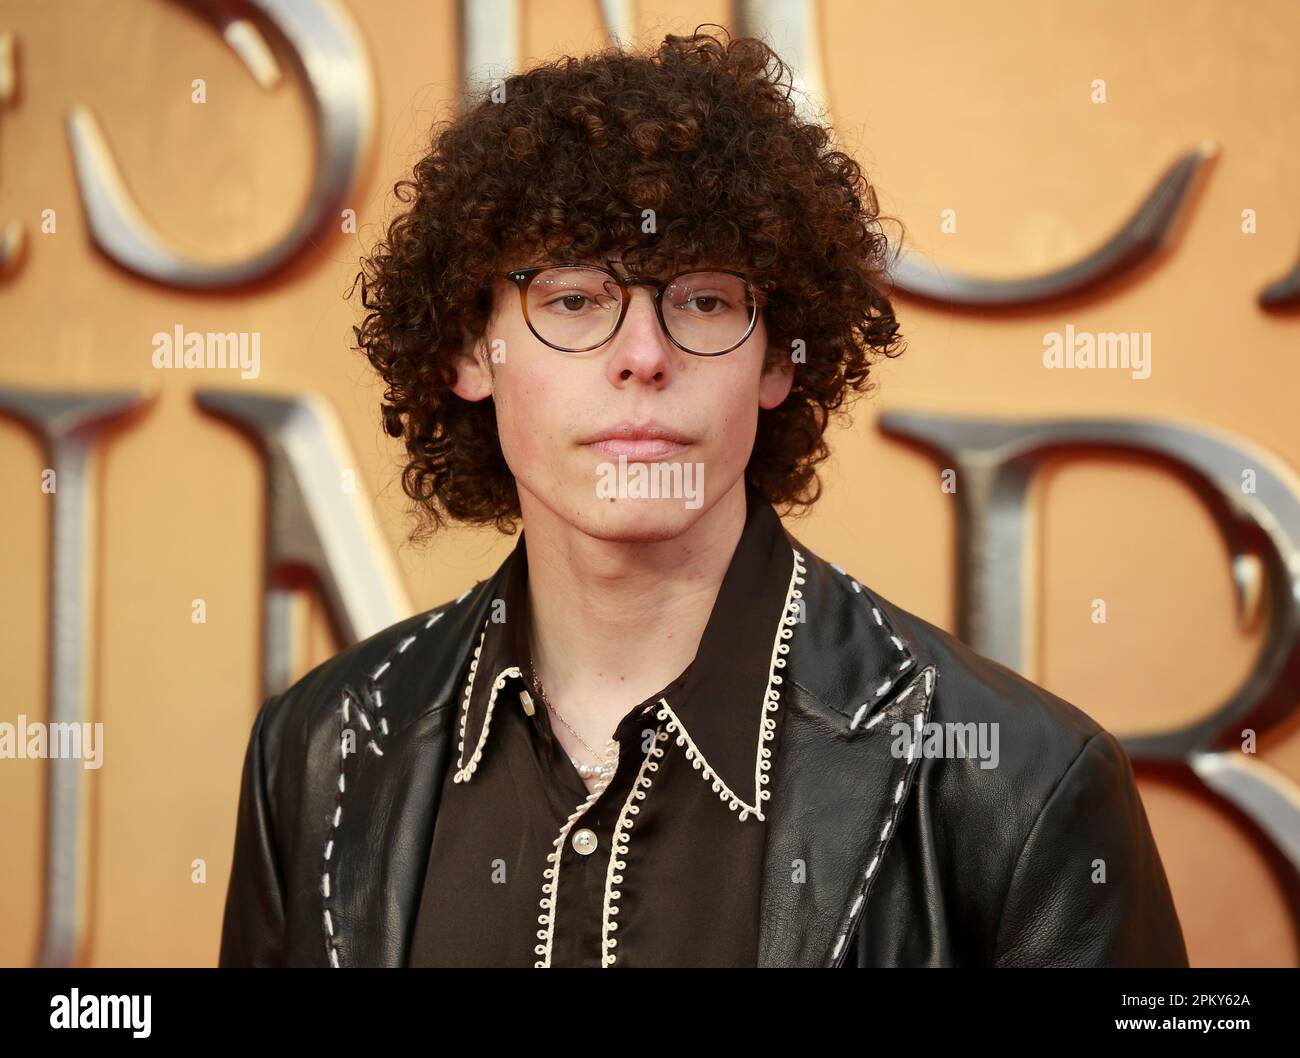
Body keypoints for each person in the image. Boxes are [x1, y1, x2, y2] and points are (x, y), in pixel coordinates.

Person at [218, 26, 1188, 968]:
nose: (643, 356)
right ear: (473, 350)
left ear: (775, 359)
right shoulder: (316, 747)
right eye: (573, 300)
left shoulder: (1023, 784)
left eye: (704, 300)